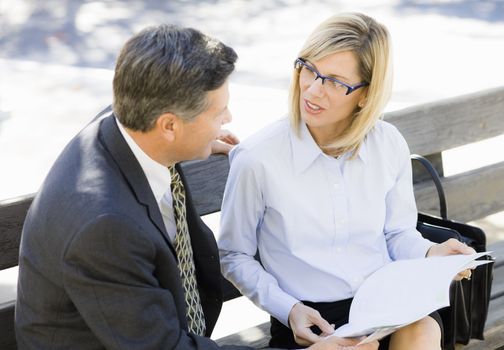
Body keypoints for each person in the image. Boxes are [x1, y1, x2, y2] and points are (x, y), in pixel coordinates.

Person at [15, 24, 378, 350]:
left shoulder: (134, 123)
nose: (228, 120)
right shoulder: (104, 228)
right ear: (169, 124)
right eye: (218, 112)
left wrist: (196, 139)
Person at [218, 12, 475, 350]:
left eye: (335, 82)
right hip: (311, 319)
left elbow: (397, 233)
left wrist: (431, 253)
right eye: (309, 69)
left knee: (423, 329)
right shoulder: (257, 158)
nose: (312, 89)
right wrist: (290, 309)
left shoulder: (388, 143)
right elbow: (233, 255)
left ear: (366, 95)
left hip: (387, 301)